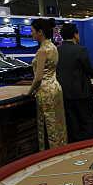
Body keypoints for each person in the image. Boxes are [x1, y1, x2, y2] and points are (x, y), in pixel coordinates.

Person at [27, 18, 67, 150]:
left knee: (48, 124)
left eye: (32, 31)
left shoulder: (42, 51)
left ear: (40, 32)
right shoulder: (53, 47)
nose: (31, 34)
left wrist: (29, 92)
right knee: (58, 122)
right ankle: (61, 148)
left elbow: (38, 78)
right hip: (55, 87)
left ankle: (51, 153)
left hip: (45, 91)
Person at [56, 23, 93, 143]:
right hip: (82, 91)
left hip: (64, 91)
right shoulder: (80, 49)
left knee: (71, 120)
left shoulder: (57, 50)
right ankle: (88, 143)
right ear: (75, 34)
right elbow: (89, 70)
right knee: (86, 119)